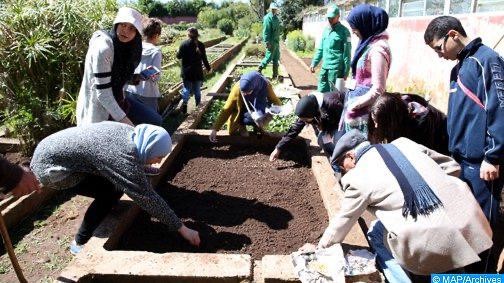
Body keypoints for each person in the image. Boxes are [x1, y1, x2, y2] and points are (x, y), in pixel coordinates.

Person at [301, 130, 492, 282]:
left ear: (351, 156)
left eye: (342, 166)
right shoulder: (404, 143)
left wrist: (321, 248)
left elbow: (344, 220)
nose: (344, 171)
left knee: (376, 234)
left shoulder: (358, 178)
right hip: (469, 220)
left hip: (429, 242)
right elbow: (452, 167)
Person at [30, 122, 200, 254]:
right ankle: (79, 242)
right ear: (148, 148)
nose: (158, 161)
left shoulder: (131, 134)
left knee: (116, 180)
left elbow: (129, 160)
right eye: (158, 156)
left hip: (51, 149)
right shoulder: (120, 157)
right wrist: (181, 228)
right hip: (53, 170)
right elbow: (147, 197)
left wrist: (142, 168)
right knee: (111, 190)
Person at [424, 15, 504, 272]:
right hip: (461, 160)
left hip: (482, 164)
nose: (439, 55)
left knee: (485, 225)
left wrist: (493, 155)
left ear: (452, 35)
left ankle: (485, 276)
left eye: (439, 48)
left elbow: (499, 109)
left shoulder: (487, 60)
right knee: (467, 224)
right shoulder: (459, 69)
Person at [76, 7, 161, 126]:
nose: (125, 30)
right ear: (116, 24)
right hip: (100, 107)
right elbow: (103, 94)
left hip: (119, 97)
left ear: (137, 33)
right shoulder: (103, 48)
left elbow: (117, 77)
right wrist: (129, 125)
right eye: (123, 25)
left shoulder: (129, 47)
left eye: (132, 28)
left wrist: (134, 78)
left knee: (155, 120)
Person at [339, 4, 391, 135]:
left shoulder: (378, 49)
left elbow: (378, 89)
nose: (353, 30)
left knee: (360, 148)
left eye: (355, 26)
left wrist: (356, 105)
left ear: (365, 24)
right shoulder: (367, 43)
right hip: (357, 107)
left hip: (364, 112)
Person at [269, 91, 344, 168]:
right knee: (323, 140)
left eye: (305, 119)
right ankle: (335, 160)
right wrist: (278, 148)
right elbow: (295, 129)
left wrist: (326, 127)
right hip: (332, 123)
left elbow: (344, 121)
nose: (304, 121)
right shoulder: (310, 107)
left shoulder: (332, 104)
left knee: (336, 141)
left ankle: (342, 160)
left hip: (344, 123)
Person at [209, 71, 282, 142]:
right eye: (243, 92)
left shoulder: (265, 84)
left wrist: (275, 110)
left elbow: (275, 100)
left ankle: (259, 128)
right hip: (243, 110)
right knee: (249, 121)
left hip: (258, 108)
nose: (245, 94)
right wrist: (215, 129)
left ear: (254, 86)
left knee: (263, 118)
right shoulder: (237, 89)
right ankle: (241, 124)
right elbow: (227, 109)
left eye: (247, 92)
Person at [368, 92, 448, 155]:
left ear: (391, 121)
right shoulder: (400, 104)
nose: (376, 126)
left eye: (378, 122)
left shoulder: (419, 124)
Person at [310, 4, 351, 93]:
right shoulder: (326, 30)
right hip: (325, 67)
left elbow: (347, 53)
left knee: (332, 95)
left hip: (336, 69)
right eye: (328, 17)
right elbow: (320, 49)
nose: (330, 19)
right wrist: (314, 63)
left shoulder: (344, 32)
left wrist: (346, 71)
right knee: (321, 91)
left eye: (332, 17)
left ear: (338, 16)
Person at [127, 18, 163, 112]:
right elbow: (155, 75)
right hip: (148, 93)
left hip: (130, 90)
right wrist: (143, 75)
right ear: (156, 35)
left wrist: (135, 77)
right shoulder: (156, 51)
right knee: (151, 121)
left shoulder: (133, 47)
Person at [177, 27, 211, 114]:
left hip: (187, 72)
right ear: (197, 35)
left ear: (188, 35)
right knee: (197, 90)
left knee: (186, 89)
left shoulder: (183, 44)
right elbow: (204, 59)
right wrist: (208, 68)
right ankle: (198, 107)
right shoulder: (201, 45)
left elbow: (178, 57)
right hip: (197, 72)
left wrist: (178, 51)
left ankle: (184, 106)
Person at [258, 3, 281, 79]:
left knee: (276, 58)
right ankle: (259, 69)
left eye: (276, 9)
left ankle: (275, 75)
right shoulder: (268, 18)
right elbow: (266, 31)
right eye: (274, 9)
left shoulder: (276, 18)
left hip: (276, 42)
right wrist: (267, 42)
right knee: (268, 57)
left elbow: (277, 29)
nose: (275, 10)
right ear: (271, 9)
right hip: (271, 42)